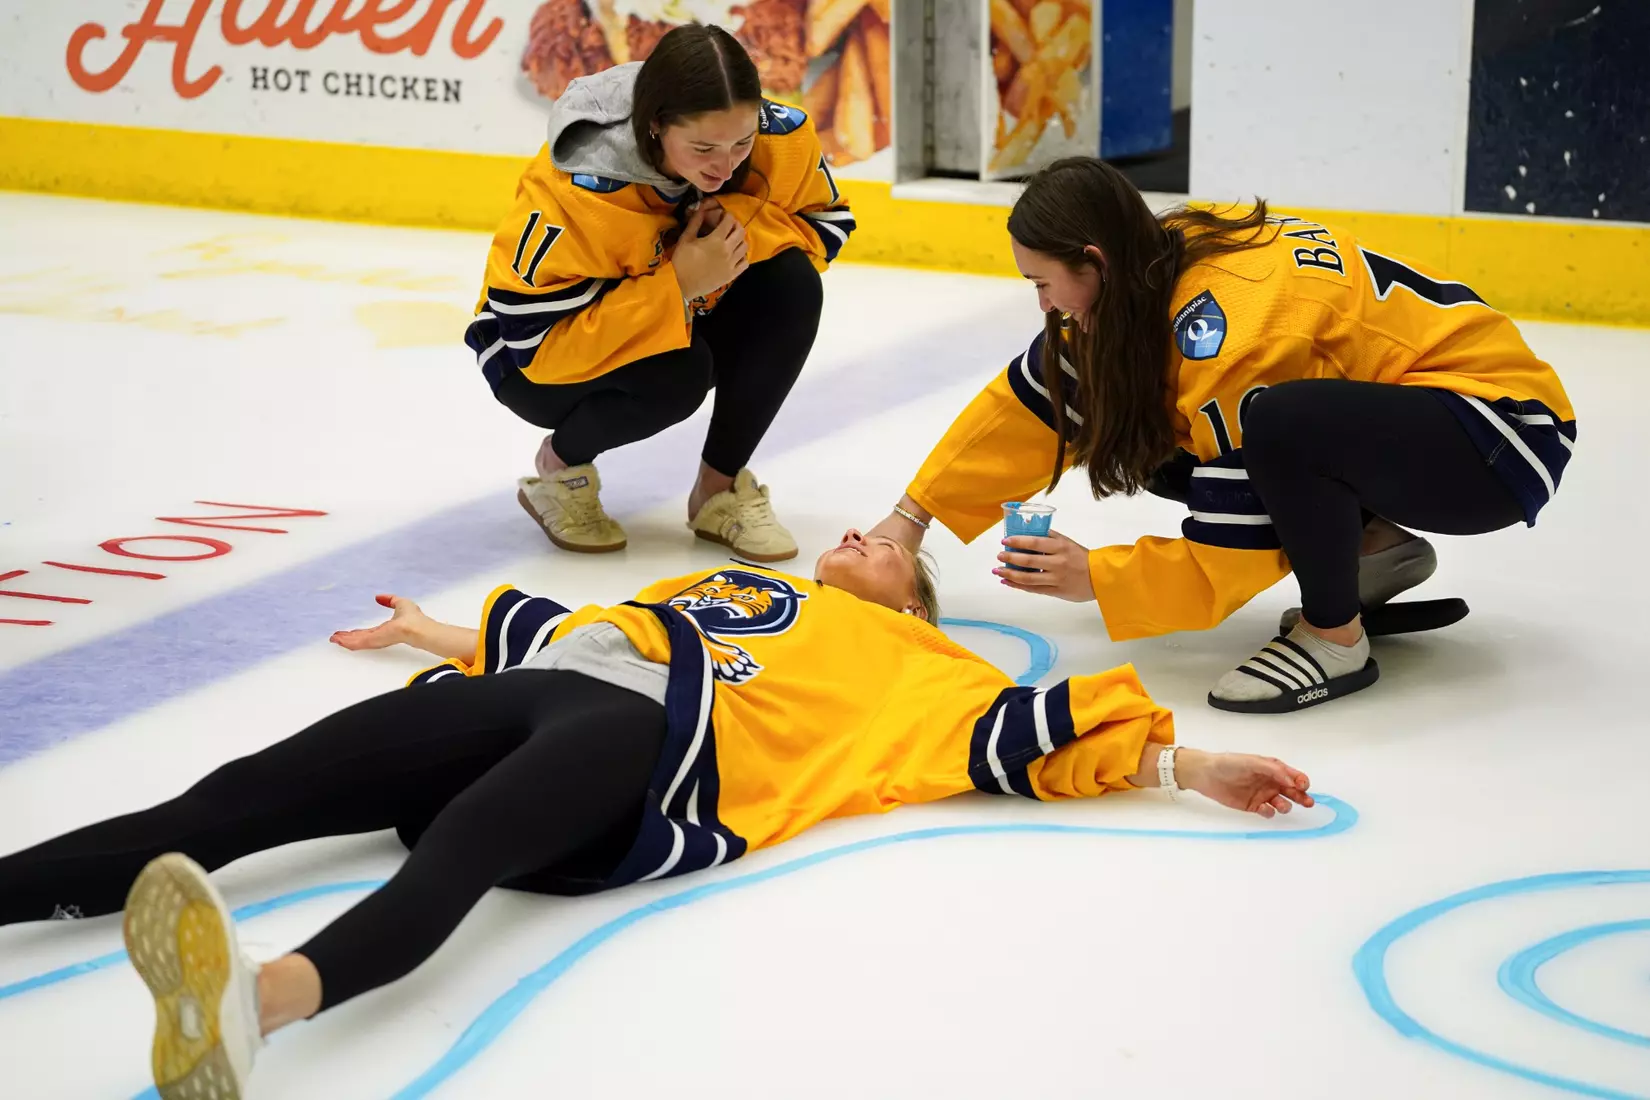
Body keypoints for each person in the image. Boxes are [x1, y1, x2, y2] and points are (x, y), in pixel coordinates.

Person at [0, 531, 1313, 1100]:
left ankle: (260, 1004)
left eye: (886, 549)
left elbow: (1028, 739)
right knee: (231, 798)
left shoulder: (925, 668)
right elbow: (584, 628)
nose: (860, 535)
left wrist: (1186, 765)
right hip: (542, 689)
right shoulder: (726, 581)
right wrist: (439, 633)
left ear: (913, 601)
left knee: (463, 852)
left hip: (646, 750)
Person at [869, 156, 1576, 714]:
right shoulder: (1161, 254)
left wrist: (1100, 579)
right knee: (1139, 418)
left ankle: (1334, 641)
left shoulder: (1228, 335)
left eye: (1043, 284)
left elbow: (1242, 531)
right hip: (1427, 426)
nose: (1044, 305)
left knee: (1277, 426)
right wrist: (913, 518)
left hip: (1498, 436)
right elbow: (1041, 397)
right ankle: (1372, 550)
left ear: (1095, 259)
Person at [469, 23, 855, 562]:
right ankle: (560, 468)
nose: (725, 166)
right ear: (655, 127)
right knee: (678, 373)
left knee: (792, 284)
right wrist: (677, 280)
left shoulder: (778, 139)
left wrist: (734, 224)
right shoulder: (579, 187)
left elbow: (828, 224)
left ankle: (718, 494)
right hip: (536, 362)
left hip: (680, 311)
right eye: (702, 148)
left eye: (741, 142)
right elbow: (536, 347)